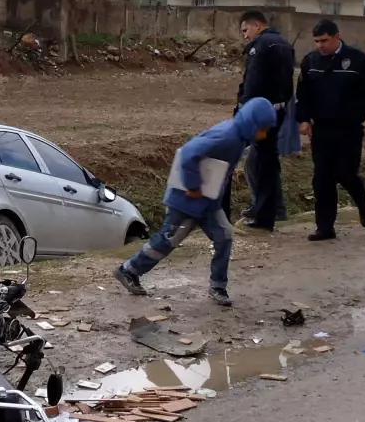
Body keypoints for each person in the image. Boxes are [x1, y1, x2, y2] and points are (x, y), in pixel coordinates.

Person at [114, 98, 278, 305]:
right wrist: (193, 186)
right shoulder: (228, 136)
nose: (264, 134)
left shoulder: (238, 137)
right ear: (253, 123)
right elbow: (189, 153)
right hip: (185, 200)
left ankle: (218, 286)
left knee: (225, 236)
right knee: (167, 240)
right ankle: (128, 270)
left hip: (208, 203)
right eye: (263, 129)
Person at [295, 19, 365, 242]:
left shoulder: (358, 60)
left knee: (346, 174)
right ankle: (325, 227)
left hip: (349, 129)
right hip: (321, 130)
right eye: (317, 41)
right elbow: (303, 94)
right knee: (322, 179)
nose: (321, 45)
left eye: (325, 40)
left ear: (337, 36)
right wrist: (303, 119)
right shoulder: (311, 62)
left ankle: (362, 198)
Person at [234, 11, 296, 231]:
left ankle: (265, 213)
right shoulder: (284, 44)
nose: (244, 36)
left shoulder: (259, 46)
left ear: (257, 26)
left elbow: (253, 80)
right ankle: (270, 208)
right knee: (265, 160)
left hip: (260, 113)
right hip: (278, 110)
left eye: (245, 30)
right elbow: (289, 81)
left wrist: (243, 108)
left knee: (260, 162)